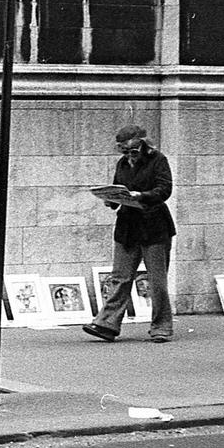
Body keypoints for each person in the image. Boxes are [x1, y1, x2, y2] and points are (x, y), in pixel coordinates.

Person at [82, 123, 176, 343]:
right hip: (128, 226)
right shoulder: (122, 163)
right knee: (120, 278)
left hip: (154, 225)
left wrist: (141, 195)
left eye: (132, 151)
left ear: (143, 145)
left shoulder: (158, 160)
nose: (128, 155)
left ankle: (161, 327)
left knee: (157, 281)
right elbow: (118, 187)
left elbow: (165, 189)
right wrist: (112, 199)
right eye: (124, 151)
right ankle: (106, 324)